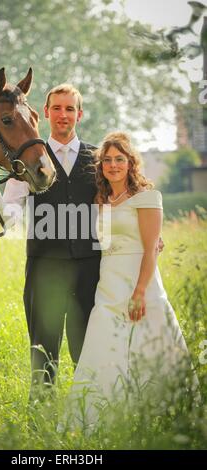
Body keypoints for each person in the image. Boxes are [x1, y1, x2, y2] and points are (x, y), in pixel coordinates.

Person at [64, 131, 199, 430]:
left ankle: (163, 418)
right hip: (108, 287)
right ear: (100, 166)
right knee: (102, 351)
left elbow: (151, 247)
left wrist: (139, 292)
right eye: (108, 160)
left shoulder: (147, 197)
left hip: (141, 284)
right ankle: (100, 420)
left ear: (130, 163)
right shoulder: (100, 200)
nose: (113, 165)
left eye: (119, 159)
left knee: (148, 348)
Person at [0, 84, 101, 399]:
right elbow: (12, 216)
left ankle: (88, 420)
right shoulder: (29, 158)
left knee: (88, 354)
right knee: (43, 356)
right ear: (45, 113)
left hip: (90, 270)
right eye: (57, 108)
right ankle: (41, 421)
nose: (63, 115)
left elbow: (117, 209)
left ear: (79, 114)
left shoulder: (99, 158)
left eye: (70, 108)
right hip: (43, 270)